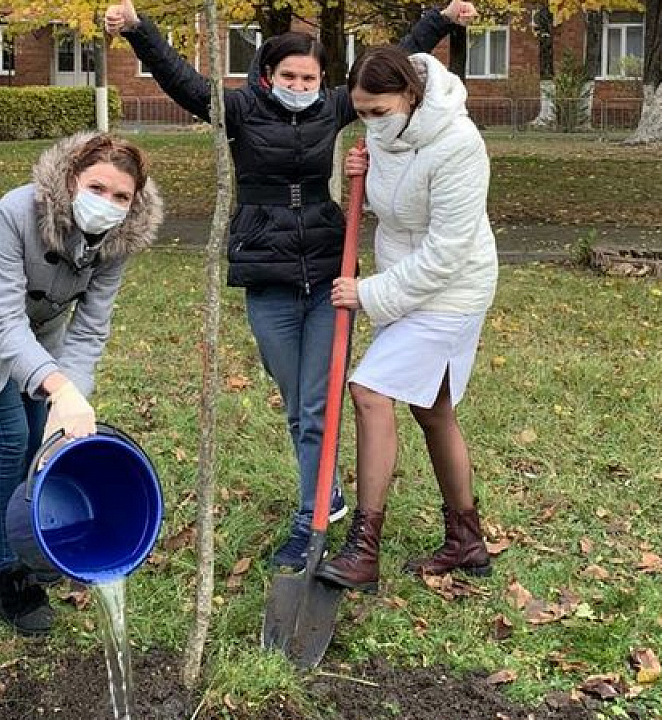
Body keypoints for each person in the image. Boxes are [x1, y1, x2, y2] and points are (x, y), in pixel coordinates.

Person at [104, 0, 477, 571]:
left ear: (322, 82)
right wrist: (138, 29)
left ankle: (312, 516)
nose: (300, 85)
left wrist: (442, 18)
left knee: (318, 399)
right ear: (267, 77)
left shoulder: (334, 108)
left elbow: (393, 63)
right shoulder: (238, 108)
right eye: (289, 76)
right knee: (298, 406)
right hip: (267, 268)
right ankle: (324, 492)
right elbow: (180, 80)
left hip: (329, 268)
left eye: (310, 77)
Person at [0, 132, 163, 635]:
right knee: (13, 437)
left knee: (42, 437)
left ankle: (33, 539)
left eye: (121, 197)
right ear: (73, 178)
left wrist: (70, 389)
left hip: (41, 331)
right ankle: (8, 576)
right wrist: (56, 386)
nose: (107, 204)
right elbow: (4, 321)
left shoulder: (119, 240)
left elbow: (91, 327)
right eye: (97, 188)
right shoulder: (19, 211)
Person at [314, 46, 498, 594]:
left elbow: (446, 251)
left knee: (369, 390)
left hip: (452, 290)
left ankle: (364, 549)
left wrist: (368, 293)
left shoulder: (460, 145)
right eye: (361, 112)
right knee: (433, 409)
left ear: (411, 96)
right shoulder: (382, 133)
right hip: (406, 283)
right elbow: (379, 208)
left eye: (379, 110)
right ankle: (466, 540)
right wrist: (349, 177)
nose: (370, 121)